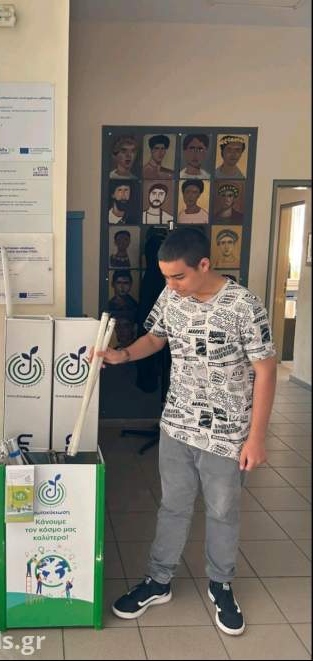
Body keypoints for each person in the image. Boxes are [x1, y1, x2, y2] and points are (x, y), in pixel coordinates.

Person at [93, 228, 276, 637]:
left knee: (222, 511)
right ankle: (158, 581)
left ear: (204, 265)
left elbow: (265, 371)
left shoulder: (244, 305)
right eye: (166, 277)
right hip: (177, 423)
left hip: (227, 433)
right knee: (173, 507)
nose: (171, 285)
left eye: (178, 276)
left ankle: (221, 584)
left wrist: (256, 438)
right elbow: (155, 339)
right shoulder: (172, 295)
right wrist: (122, 355)